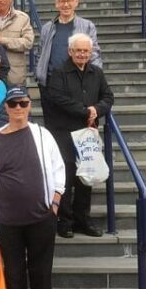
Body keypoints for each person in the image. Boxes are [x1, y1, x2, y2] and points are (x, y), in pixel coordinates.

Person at [0, 86, 65, 289]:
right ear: (6, 108)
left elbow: (59, 168)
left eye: (23, 103)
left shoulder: (42, 134)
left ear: (30, 106)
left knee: (41, 273)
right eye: (13, 104)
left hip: (41, 217)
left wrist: (55, 203)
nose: (18, 108)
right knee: (15, 275)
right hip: (8, 221)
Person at [45, 33, 115, 239]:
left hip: (87, 134)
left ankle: (82, 220)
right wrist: (86, 111)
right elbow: (57, 98)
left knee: (86, 176)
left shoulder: (97, 73)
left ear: (91, 52)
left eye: (86, 51)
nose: (82, 54)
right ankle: (65, 221)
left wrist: (97, 110)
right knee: (66, 177)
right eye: (78, 50)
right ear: (70, 51)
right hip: (64, 132)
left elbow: (108, 96)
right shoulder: (59, 72)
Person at [35, 0, 102, 93]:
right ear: (57, 4)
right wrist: (38, 73)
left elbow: (94, 55)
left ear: (76, 2)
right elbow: (39, 54)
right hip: (51, 82)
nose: (66, 5)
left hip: (78, 82)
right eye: (62, 1)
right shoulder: (47, 28)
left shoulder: (87, 26)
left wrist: (93, 79)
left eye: (69, 1)